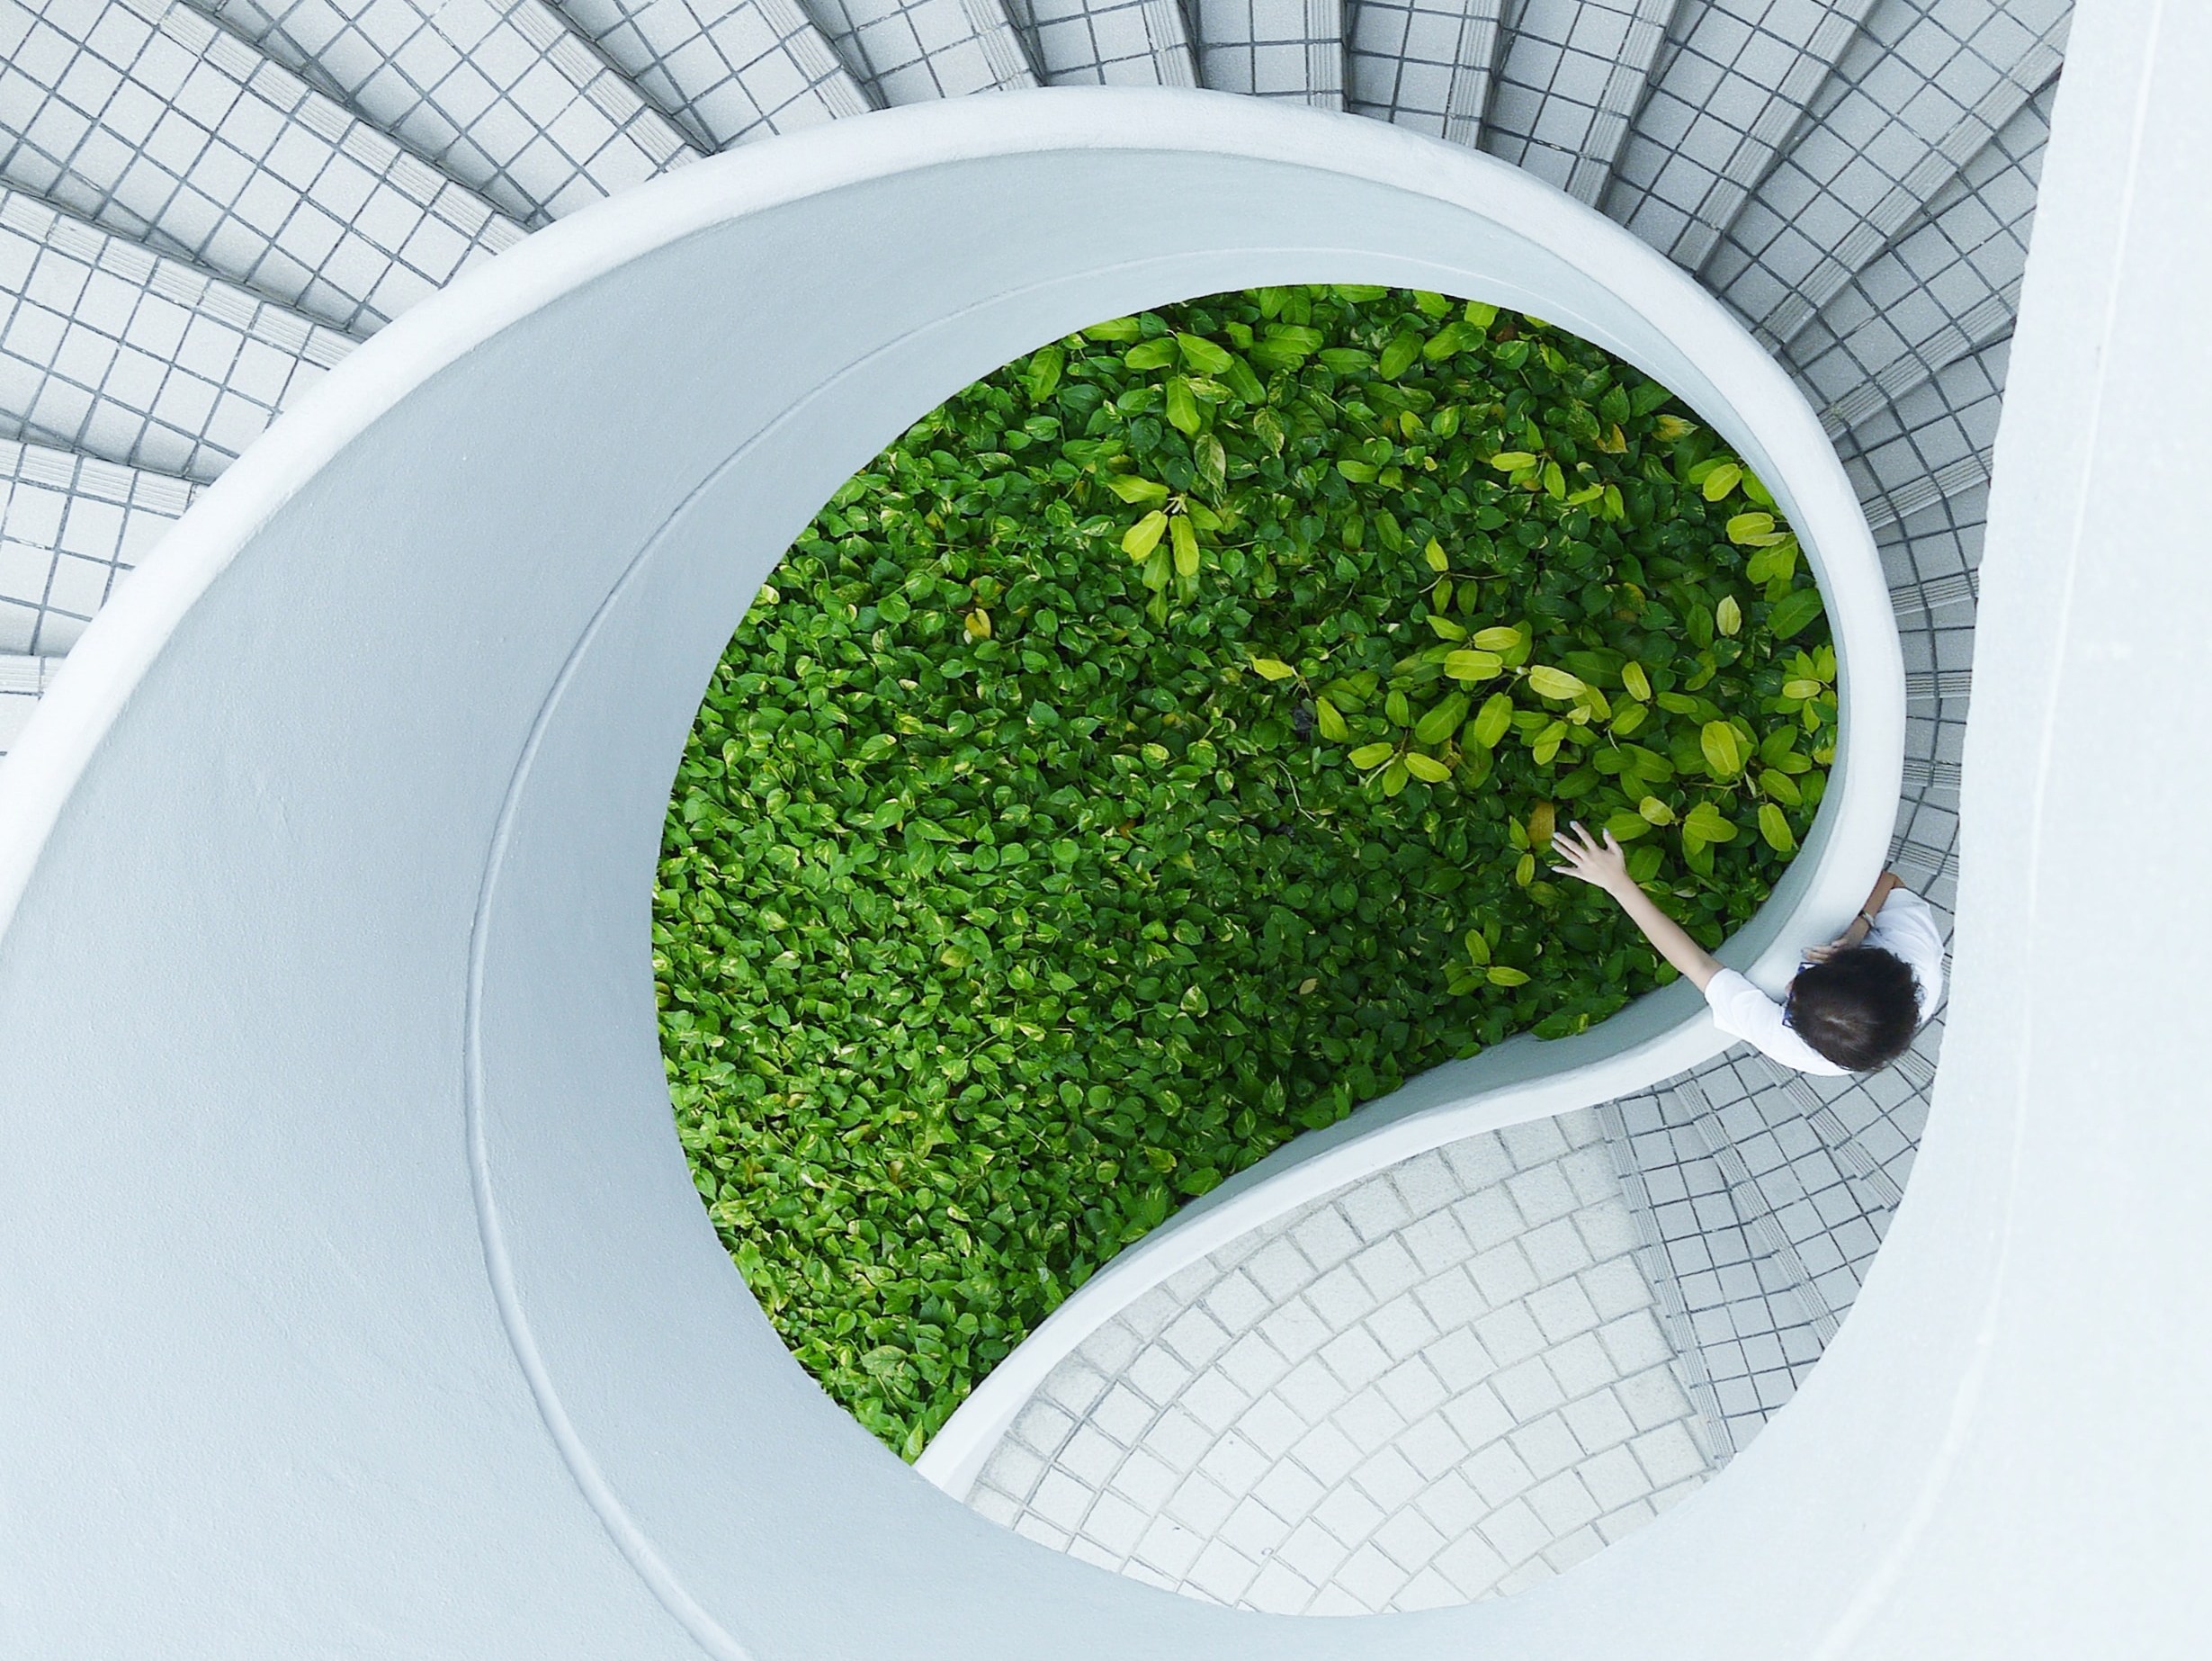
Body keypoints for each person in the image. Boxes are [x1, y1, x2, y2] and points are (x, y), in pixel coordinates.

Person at [1546, 821, 1944, 1075]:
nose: (1789, 989)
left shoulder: (1790, 1044)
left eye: (1791, 1004)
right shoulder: (1916, 958)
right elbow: (1889, 881)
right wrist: (1861, 927)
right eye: (1803, 981)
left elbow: (1698, 966)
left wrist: (1619, 884)